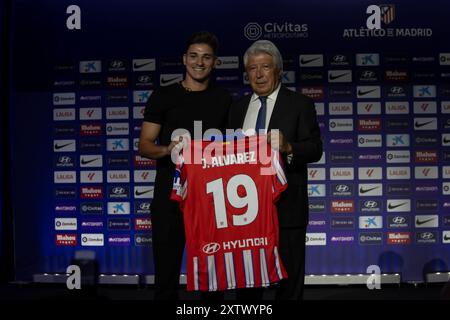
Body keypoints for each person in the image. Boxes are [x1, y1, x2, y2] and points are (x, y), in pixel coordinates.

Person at [138, 31, 232, 300]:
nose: (199, 62)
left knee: (212, 277)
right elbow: (144, 144)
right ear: (184, 59)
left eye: (206, 57)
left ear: (215, 63)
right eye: (193, 56)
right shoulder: (163, 95)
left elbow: (233, 148)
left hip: (211, 198)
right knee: (166, 275)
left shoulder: (224, 98)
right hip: (170, 196)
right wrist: (166, 149)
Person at [228, 40, 322, 300]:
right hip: (245, 210)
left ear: (278, 70)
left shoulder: (300, 104)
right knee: (247, 284)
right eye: (252, 69)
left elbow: (315, 148)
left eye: (265, 67)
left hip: (287, 207)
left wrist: (289, 146)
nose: (258, 74)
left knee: (289, 284)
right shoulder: (237, 108)